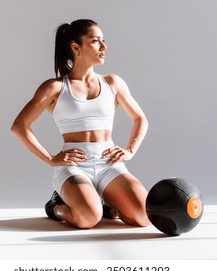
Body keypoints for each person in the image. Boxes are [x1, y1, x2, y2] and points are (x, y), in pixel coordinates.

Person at [11, 19, 150, 229]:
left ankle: (106, 205)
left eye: (103, 41)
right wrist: (50, 159)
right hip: (74, 167)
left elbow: (140, 119)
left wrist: (130, 150)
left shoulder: (113, 83)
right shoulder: (55, 88)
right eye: (95, 41)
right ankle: (56, 207)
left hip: (109, 164)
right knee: (87, 218)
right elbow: (19, 126)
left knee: (143, 216)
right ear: (76, 47)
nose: (104, 47)